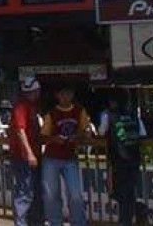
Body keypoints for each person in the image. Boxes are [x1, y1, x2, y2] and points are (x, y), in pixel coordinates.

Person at [41, 85, 90, 226]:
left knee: (75, 194)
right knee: (51, 195)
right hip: (51, 157)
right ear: (57, 96)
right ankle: (55, 222)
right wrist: (54, 138)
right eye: (62, 94)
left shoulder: (80, 111)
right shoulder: (51, 113)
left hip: (70, 157)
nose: (65, 97)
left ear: (72, 95)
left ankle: (78, 222)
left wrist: (77, 137)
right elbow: (44, 137)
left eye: (68, 94)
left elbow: (85, 132)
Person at [104, 93, 146, 226]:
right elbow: (143, 133)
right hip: (134, 158)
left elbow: (101, 132)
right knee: (130, 192)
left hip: (117, 159)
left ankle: (127, 219)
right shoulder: (134, 115)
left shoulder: (108, 115)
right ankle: (136, 215)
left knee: (119, 193)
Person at [10, 76, 44, 226]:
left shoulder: (32, 107)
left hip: (33, 155)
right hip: (24, 157)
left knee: (34, 192)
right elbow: (20, 131)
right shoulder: (21, 107)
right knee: (24, 193)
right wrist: (29, 153)